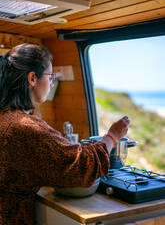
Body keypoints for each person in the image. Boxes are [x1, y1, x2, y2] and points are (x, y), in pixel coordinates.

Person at [0, 43, 130, 225]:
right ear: (32, 78)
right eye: (50, 76)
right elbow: (82, 167)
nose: (52, 82)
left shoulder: (5, 117)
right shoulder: (25, 127)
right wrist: (112, 136)